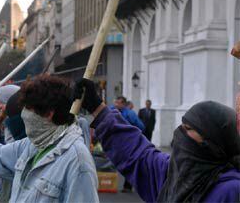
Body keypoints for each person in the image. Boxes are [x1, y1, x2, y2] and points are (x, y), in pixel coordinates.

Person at [74, 78, 240, 202]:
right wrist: (98, 109)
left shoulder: (231, 191)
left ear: (212, 141)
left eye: (188, 129)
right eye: (181, 126)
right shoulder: (175, 173)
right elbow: (138, 154)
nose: (180, 134)